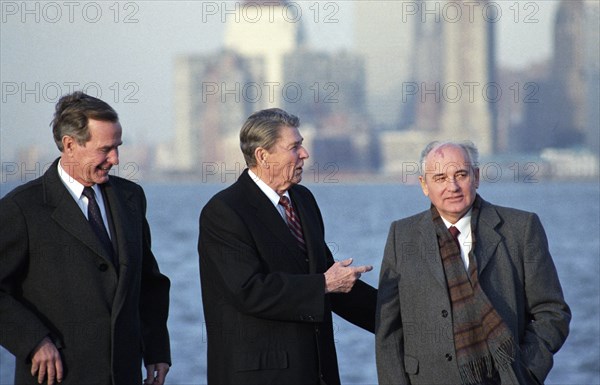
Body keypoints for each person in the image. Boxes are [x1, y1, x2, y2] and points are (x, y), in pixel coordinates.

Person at [0, 92, 171, 385]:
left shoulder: (130, 197)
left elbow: (148, 282)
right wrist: (34, 341)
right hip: (59, 377)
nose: (115, 159)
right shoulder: (22, 208)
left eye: (117, 147)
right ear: (70, 145)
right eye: (105, 149)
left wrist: (156, 349)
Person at [198, 108, 377, 385]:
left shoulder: (303, 200)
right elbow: (249, 291)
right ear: (262, 155)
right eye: (294, 147)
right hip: (260, 377)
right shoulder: (225, 211)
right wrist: (323, 285)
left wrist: (406, 319)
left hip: (316, 373)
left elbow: (330, 281)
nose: (304, 154)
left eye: (301, 145)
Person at [376, 141, 571, 385]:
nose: (453, 186)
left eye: (461, 174)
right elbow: (389, 329)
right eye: (440, 178)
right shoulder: (401, 235)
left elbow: (552, 312)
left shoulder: (521, 229)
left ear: (476, 177)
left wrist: (526, 372)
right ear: (424, 185)